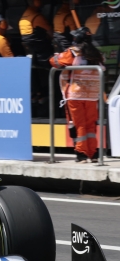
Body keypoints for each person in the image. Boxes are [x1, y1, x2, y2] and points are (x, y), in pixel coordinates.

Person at [50, 27, 105, 163]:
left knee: (78, 124)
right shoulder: (97, 54)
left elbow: (54, 62)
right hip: (92, 95)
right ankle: (93, 153)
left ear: (77, 39)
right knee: (90, 125)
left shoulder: (73, 52)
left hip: (75, 95)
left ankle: (81, 153)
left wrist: (57, 54)